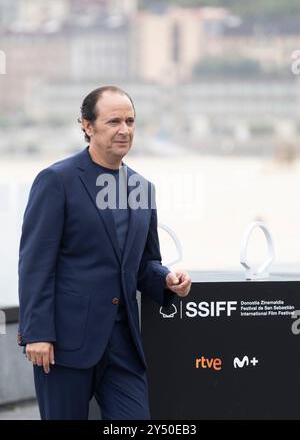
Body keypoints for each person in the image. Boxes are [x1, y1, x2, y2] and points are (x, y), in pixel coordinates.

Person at [18, 86, 192, 420]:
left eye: (130, 121)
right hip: (65, 344)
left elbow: (144, 262)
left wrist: (166, 279)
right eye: (113, 121)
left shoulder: (142, 187)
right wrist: (37, 334)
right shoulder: (56, 180)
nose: (124, 130)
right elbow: (35, 264)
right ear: (87, 126)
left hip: (123, 344)